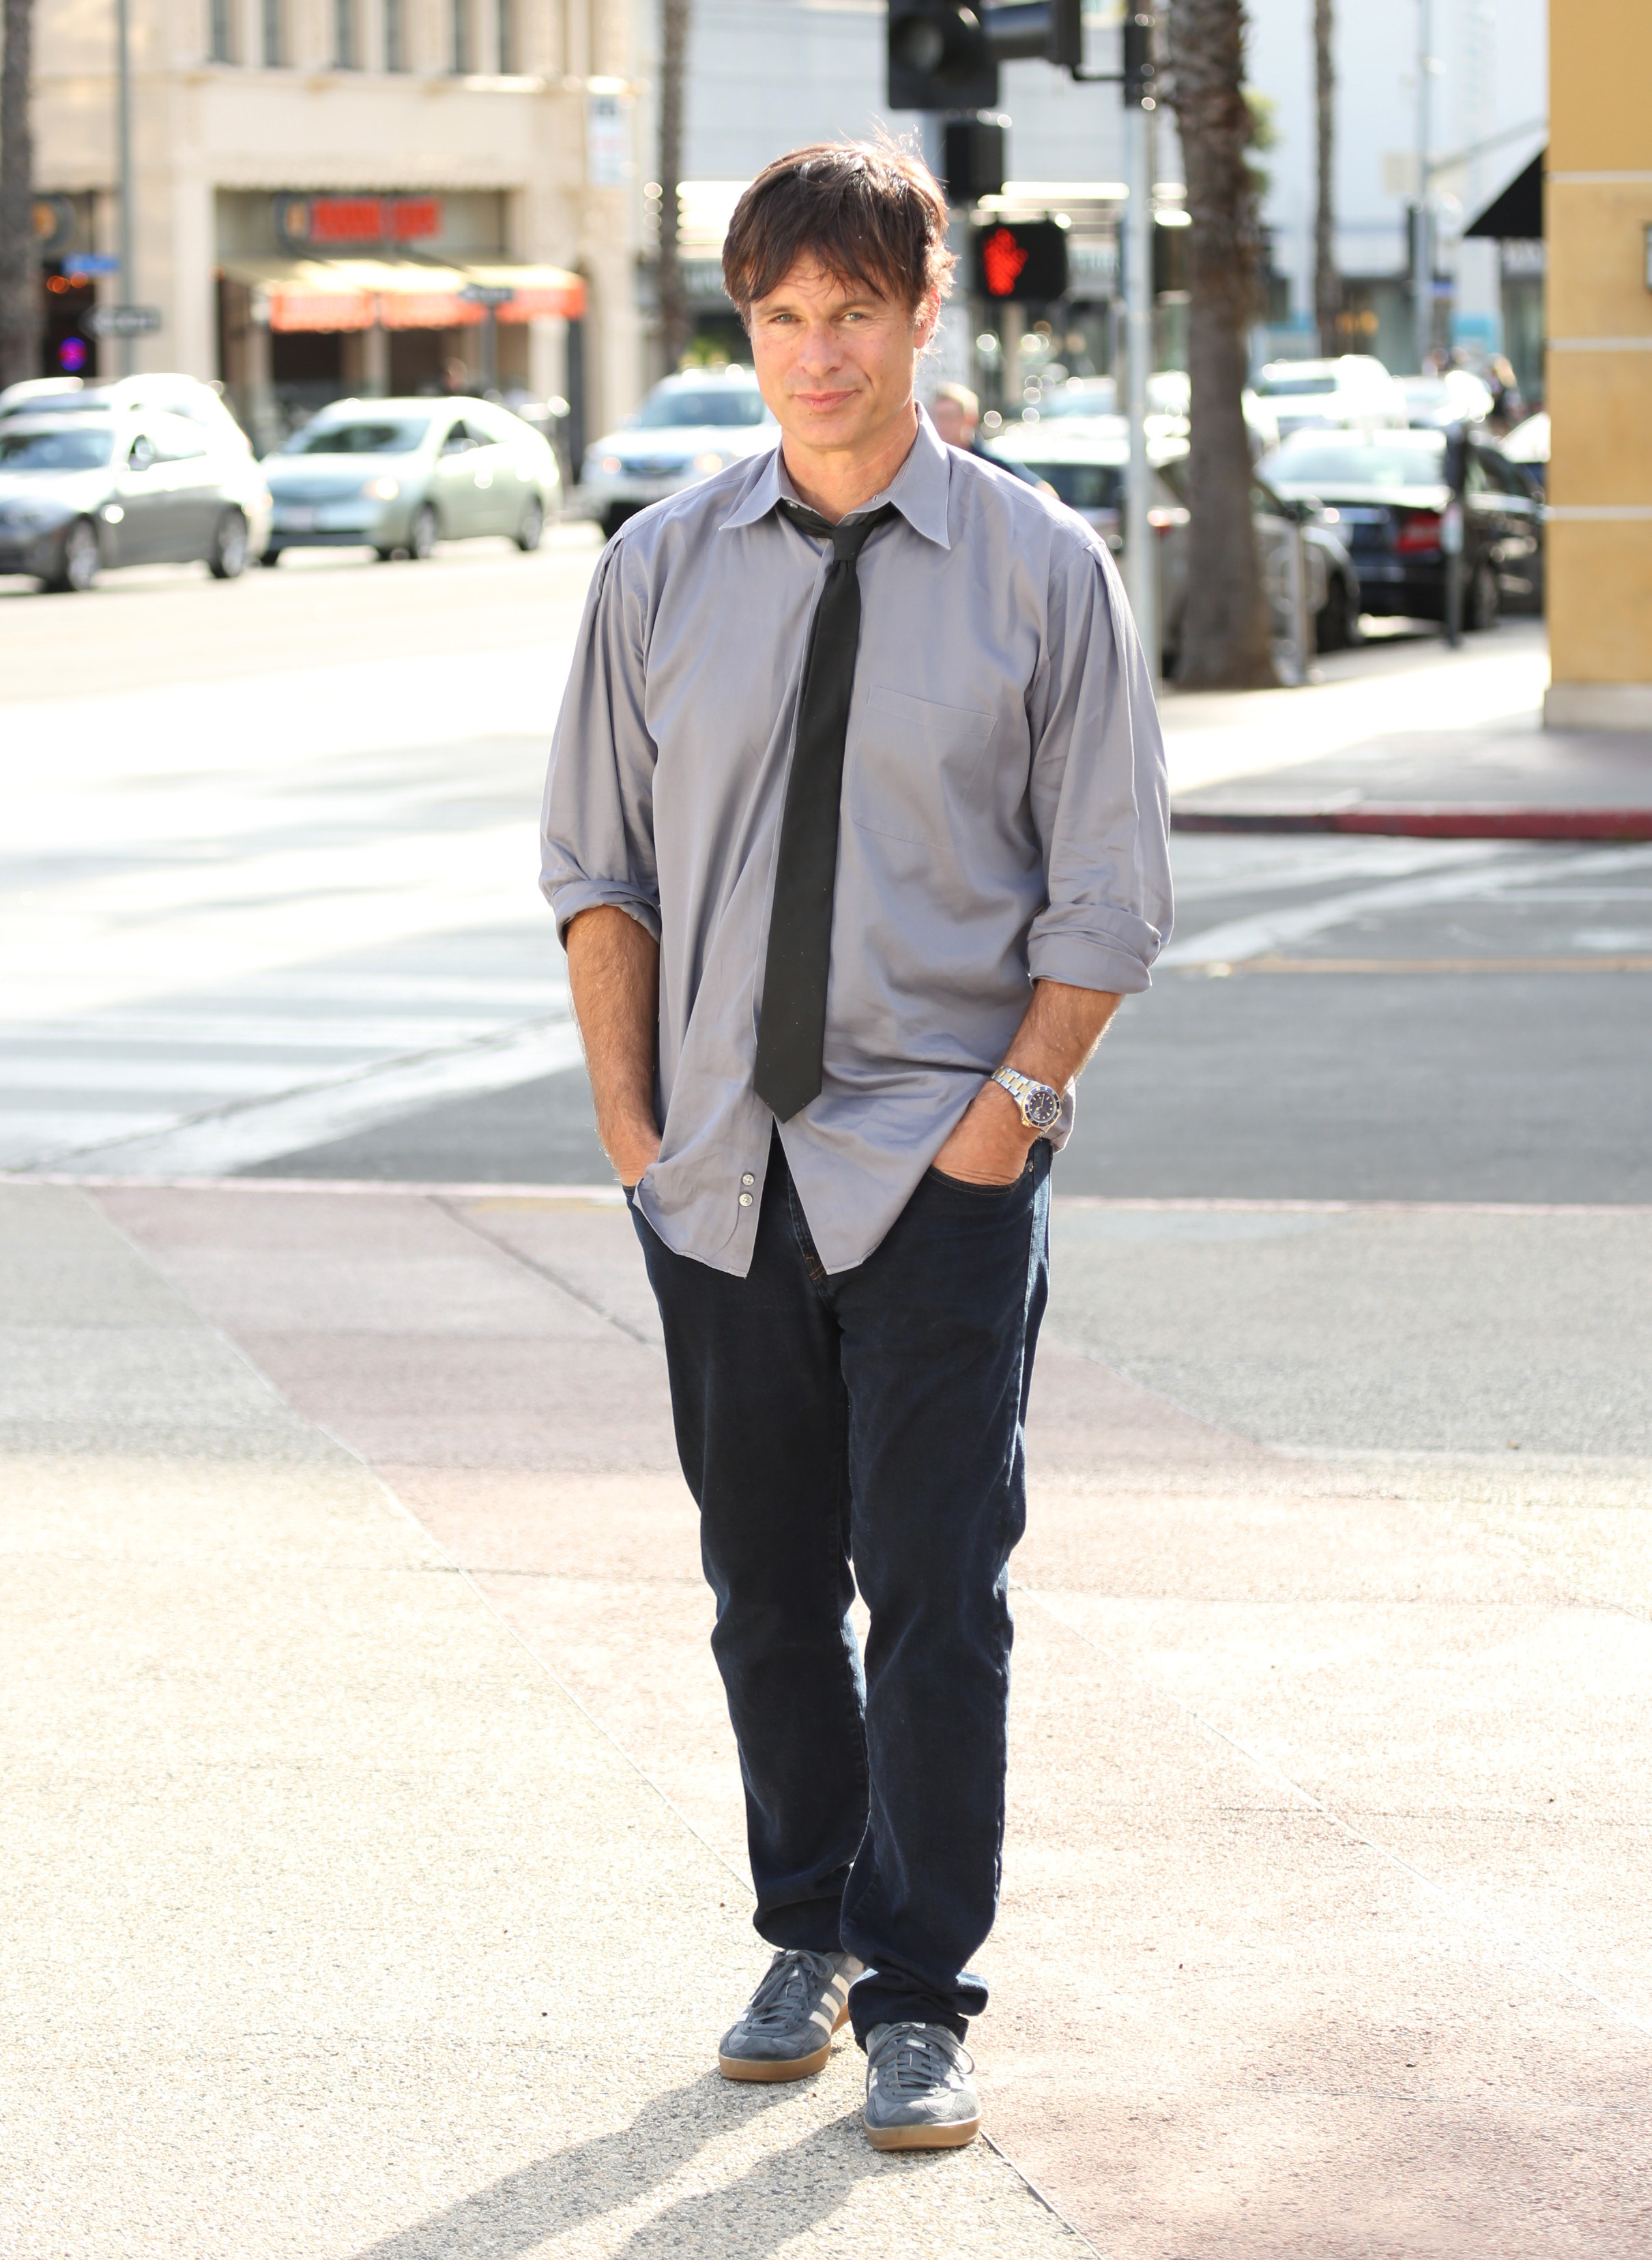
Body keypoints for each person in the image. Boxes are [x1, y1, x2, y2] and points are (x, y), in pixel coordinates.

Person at [540, 140, 1171, 2154]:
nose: (817, 354)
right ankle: (803, 1929)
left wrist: (1010, 1118)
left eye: (854, 314)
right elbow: (598, 868)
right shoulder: (656, 568)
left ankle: (916, 1991)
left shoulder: (1040, 570)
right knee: (760, 1590)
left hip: (936, 1173)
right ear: (750, 328)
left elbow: (1108, 895)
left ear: (921, 317)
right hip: (717, 1176)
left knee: (935, 1591)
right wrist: (632, 1123)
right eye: (782, 318)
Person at [929, 379, 1045, 485]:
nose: (942, 424)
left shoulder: (992, 464)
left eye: (949, 416)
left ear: (970, 419)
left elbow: (1041, 489)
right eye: (938, 416)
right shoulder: (930, 462)